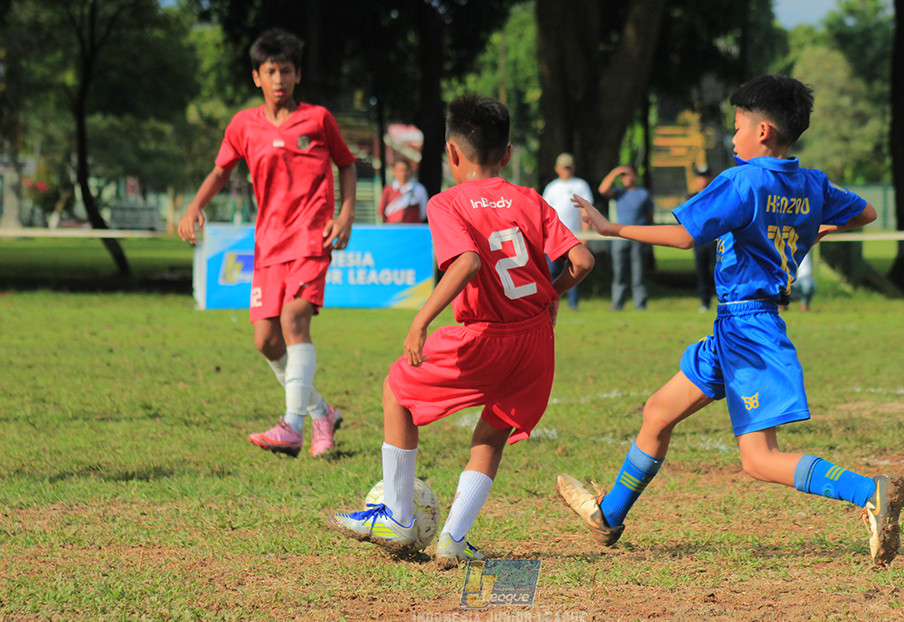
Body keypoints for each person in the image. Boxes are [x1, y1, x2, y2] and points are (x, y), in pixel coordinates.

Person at [557, 74, 904, 568]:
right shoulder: (811, 183)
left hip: (749, 329)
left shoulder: (743, 180)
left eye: (738, 126)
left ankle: (868, 491)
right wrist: (815, 228)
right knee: (658, 411)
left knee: (759, 459)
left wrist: (611, 227)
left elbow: (683, 236)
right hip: (736, 329)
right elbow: (867, 212)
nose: (734, 136)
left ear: (763, 130)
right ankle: (608, 516)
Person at [328, 94, 594, 568]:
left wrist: (421, 318)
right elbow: (582, 260)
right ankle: (452, 538)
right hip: (535, 341)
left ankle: (399, 518)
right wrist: (549, 295)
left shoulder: (447, 201)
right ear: (507, 153)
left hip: (485, 336)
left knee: (396, 391)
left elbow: (468, 262)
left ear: (451, 152)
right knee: (490, 435)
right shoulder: (530, 199)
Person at [177, 28, 356, 458]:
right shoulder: (244, 125)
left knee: (295, 318)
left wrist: (345, 214)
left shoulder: (318, 119)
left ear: (297, 76)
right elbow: (221, 170)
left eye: (287, 71)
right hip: (269, 243)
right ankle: (320, 413)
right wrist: (193, 207)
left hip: (312, 236)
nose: (279, 79)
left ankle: (291, 427)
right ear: (257, 77)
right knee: (265, 341)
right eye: (271, 71)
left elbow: (347, 165)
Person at [542, 153, 594, 309]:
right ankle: (549, 299)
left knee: (574, 269)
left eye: (569, 167)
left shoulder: (580, 185)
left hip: (574, 236)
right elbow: (545, 212)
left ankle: (573, 303)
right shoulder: (551, 187)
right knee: (551, 271)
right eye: (564, 168)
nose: (566, 170)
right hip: (553, 237)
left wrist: (585, 234)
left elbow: (585, 210)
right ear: (557, 169)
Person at [598, 165, 654, 310]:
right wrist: (615, 172)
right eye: (623, 176)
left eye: (628, 175)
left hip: (638, 237)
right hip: (619, 237)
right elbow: (602, 190)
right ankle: (617, 304)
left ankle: (640, 304)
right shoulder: (618, 193)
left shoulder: (643, 194)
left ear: (635, 176)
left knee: (638, 272)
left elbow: (650, 216)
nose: (626, 178)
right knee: (619, 272)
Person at [690, 165, 716, 312]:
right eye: (700, 176)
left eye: (705, 176)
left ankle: (724, 300)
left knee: (721, 272)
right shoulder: (691, 198)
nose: (703, 180)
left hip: (715, 241)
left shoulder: (716, 196)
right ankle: (705, 302)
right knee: (702, 272)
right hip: (700, 241)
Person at [379, 159, 429, 223]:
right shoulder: (388, 190)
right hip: (393, 229)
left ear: (410, 171)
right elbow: (382, 211)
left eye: (405, 170)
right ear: (394, 171)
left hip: (413, 228)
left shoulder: (419, 189)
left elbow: (423, 212)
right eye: (400, 170)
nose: (403, 173)